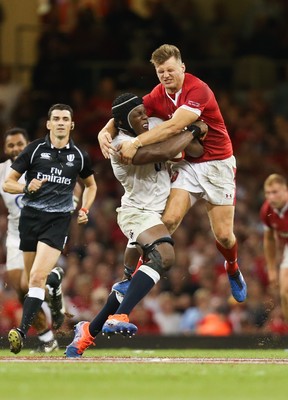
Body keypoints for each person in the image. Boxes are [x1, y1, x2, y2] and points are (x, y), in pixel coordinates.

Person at [98, 44, 247, 304]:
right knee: (167, 221)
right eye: (160, 71)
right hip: (187, 164)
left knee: (223, 235)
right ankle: (131, 278)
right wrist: (105, 130)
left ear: (182, 68)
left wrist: (137, 143)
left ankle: (232, 267)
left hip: (217, 164)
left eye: (170, 70)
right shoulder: (158, 94)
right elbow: (127, 111)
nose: (166, 75)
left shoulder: (197, 89)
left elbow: (176, 125)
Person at [65, 92, 206, 357]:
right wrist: (194, 128)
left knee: (129, 286)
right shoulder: (119, 145)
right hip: (136, 213)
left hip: (156, 215)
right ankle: (121, 317)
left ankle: (86, 333)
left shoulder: (153, 125)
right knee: (164, 256)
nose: (144, 118)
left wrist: (187, 135)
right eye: (137, 115)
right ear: (121, 122)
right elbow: (163, 150)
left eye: (143, 111)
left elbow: (197, 150)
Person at [2, 104, 97, 354]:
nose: (61, 123)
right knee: (26, 282)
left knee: (35, 278)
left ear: (72, 124)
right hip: (29, 221)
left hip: (57, 222)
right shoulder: (34, 150)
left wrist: (83, 208)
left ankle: (22, 332)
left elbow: (90, 185)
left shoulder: (78, 155)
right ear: (48, 124)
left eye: (65, 119)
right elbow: (9, 183)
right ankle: (54, 285)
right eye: (56, 119)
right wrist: (26, 188)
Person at [0, 127, 69, 352]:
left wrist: (76, 203)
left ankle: (47, 336)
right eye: (10, 145)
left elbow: (73, 182)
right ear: (5, 149)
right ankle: (47, 336)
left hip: (41, 229)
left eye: (19, 143)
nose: (15, 148)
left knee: (28, 283)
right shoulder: (2, 171)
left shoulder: (42, 161)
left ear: (27, 144)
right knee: (21, 289)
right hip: (15, 234)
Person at [260, 173, 288, 321]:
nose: (271, 197)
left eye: (275, 192)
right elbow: (269, 239)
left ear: (285, 190)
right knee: (285, 292)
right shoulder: (266, 211)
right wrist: (271, 269)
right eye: (268, 193)